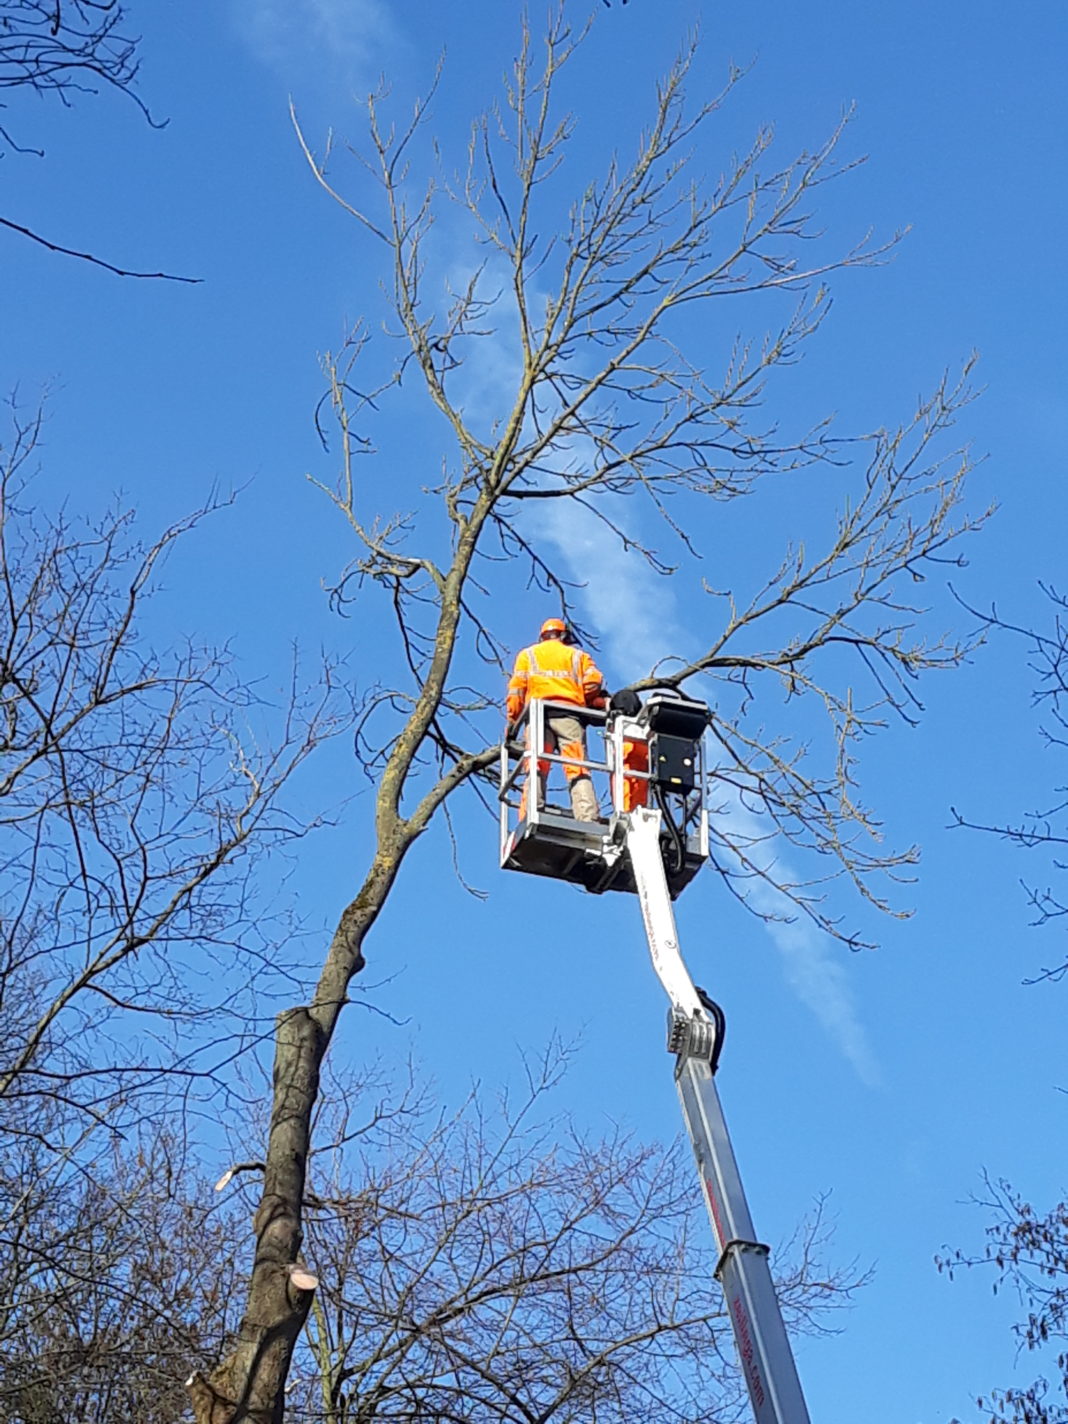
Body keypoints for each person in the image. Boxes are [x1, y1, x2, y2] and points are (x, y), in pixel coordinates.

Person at [506, 618, 607, 821]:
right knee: (577, 766)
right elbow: (594, 681)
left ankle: (531, 812)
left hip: (536, 715)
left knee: (535, 765)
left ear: (542, 636)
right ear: (563, 635)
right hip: (569, 715)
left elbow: (517, 690)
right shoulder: (578, 656)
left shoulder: (528, 655)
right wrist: (583, 699)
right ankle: (587, 817)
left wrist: (512, 721)